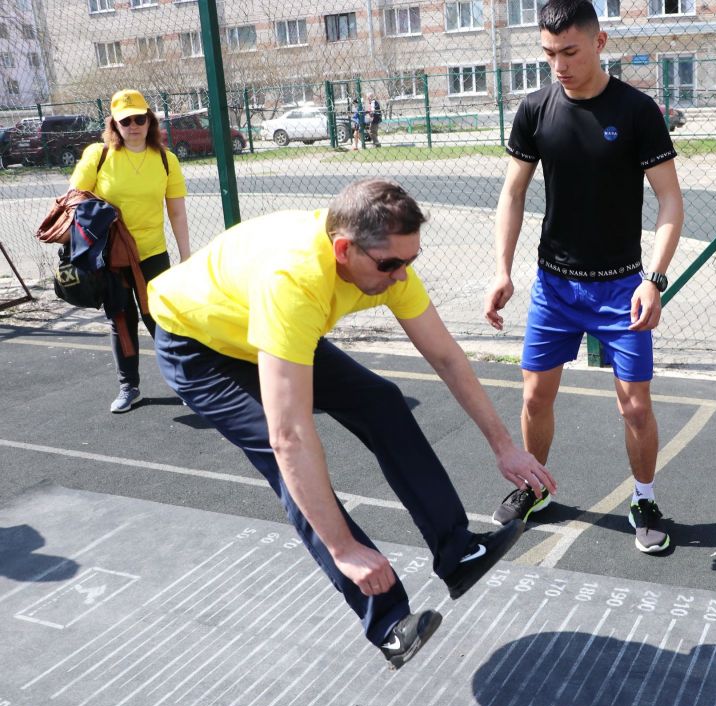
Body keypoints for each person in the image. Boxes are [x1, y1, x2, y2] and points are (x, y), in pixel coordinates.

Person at [148, 179, 556, 670]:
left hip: (255, 327)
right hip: (197, 345)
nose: (401, 277)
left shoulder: (388, 262)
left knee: (382, 402)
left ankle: (458, 551)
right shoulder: (295, 282)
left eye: (411, 261)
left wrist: (504, 445)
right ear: (343, 249)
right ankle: (388, 624)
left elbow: (447, 357)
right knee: (286, 463)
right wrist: (343, 548)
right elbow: (290, 438)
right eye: (390, 265)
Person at [483, 0, 683, 554]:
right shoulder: (535, 109)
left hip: (622, 288)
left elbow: (670, 200)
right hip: (555, 287)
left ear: (599, 43)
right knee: (534, 398)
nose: (559, 65)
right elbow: (513, 193)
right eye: (549, 54)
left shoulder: (637, 111)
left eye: (569, 52)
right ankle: (534, 488)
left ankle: (644, 498)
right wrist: (502, 269)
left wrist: (655, 279)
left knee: (634, 406)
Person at [70, 89, 190, 413]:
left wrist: (185, 256)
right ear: (114, 124)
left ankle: (184, 383)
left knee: (161, 318)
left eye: (139, 119)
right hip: (111, 255)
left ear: (150, 121)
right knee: (121, 319)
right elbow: (74, 198)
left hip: (152, 253)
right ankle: (129, 386)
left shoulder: (166, 160)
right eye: (126, 121)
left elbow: (177, 213)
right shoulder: (98, 155)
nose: (134, 126)